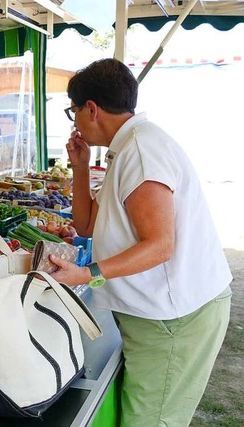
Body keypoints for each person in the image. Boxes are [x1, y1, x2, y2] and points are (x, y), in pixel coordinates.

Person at [49, 58, 232, 426]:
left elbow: (161, 245)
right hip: (158, 315)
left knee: (150, 420)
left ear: (92, 109)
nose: (77, 123)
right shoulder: (126, 148)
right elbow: (85, 224)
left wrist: (89, 274)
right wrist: (81, 169)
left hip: (174, 319)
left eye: (74, 112)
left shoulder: (142, 152)